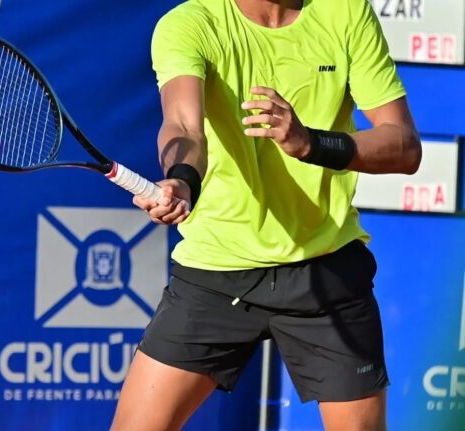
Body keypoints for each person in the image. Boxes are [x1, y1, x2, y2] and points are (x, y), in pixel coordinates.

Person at [111, 0, 421, 430]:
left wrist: (310, 143)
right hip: (216, 272)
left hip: (326, 270)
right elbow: (183, 126)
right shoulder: (190, 23)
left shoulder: (346, 12)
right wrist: (182, 180)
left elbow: (404, 146)